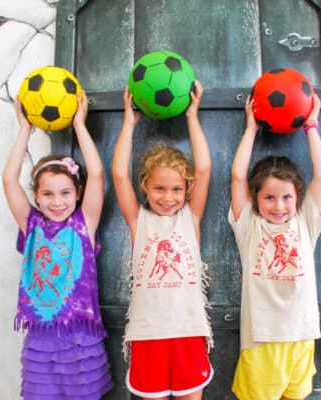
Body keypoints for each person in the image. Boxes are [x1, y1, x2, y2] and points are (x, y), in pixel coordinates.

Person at [2, 92, 113, 399]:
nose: (57, 201)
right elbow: (9, 181)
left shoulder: (84, 224)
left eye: (65, 193)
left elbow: (98, 175)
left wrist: (79, 124)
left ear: (77, 193)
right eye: (48, 194)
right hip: (41, 340)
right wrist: (24, 129)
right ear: (36, 196)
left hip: (80, 341)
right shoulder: (31, 225)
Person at [112, 81, 213, 400]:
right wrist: (128, 123)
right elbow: (118, 176)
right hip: (148, 333)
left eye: (177, 190)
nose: (168, 197)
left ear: (186, 191)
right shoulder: (138, 220)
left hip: (188, 331)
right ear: (145, 186)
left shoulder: (190, 217)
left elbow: (205, 168)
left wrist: (192, 117)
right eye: (159, 189)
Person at [229, 93, 321, 400]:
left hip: (301, 336)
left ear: (297, 198)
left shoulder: (305, 222)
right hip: (262, 340)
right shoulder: (249, 225)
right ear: (256, 199)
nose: (278, 205)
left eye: (287, 197)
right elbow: (237, 177)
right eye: (269, 197)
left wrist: (312, 124)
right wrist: (250, 129)